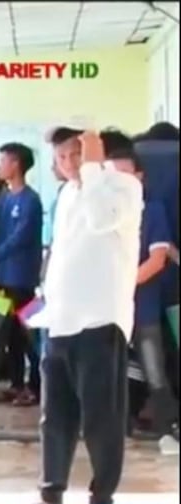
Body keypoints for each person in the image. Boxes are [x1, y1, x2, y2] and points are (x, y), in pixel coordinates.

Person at [34, 126, 142, 504]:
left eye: (75, 154)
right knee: (55, 415)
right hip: (59, 319)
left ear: (93, 152)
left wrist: (94, 169)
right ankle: (51, 490)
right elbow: (62, 250)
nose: (68, 163)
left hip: (100, 319)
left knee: (101, 416)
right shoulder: (66, 194)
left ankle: (102, 495)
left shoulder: (122, 186)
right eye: (61, 157)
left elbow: (101, 219)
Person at [107, 146, 179, 453]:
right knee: (111, 371)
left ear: (139, 176)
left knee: (154, 370)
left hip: (143, 305)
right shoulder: (102, 215)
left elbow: (157, 259)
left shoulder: (153, 211)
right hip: (109, 310)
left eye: (126, 175)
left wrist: (122, 284)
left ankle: (168, 430)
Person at [0, 141, 44, 406]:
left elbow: (20, 237)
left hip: (22, 277)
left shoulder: (30, 200)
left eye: (3, 161)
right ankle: (17, 384)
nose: (0, 166)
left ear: (16, 164)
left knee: (28, 333)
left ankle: (37, 386)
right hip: (4, 276)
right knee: (9, 335)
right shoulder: (5, 198)